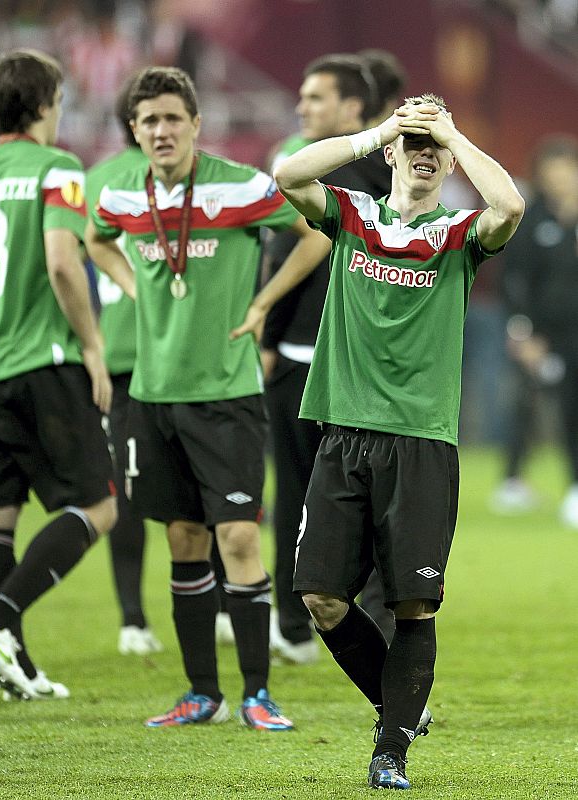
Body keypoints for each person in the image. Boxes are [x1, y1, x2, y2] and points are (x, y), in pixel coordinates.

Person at [274, 94, 523, 788]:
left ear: (447, 158)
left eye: (432, 144)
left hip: (420, 439)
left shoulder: (460, 233)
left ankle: (391, 750)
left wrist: (453, 132)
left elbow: (511, 208)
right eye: (409, 141)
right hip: (343, 431)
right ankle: (399, 707)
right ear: (389, 153)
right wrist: (384, 128)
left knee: (413, 603)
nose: (422, 150)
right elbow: (290, 175)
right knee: (320, 596)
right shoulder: (353, 217)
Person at [86, 66, 330, 729]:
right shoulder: (125, 196)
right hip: (153, 396)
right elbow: (97, 240)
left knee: (240, 537)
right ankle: (202, 694)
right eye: (148, 121)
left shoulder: (243, 187)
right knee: (185, 539)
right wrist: (132, 287)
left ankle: (256, 693)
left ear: (196, 123)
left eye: (172, 118)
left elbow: (315, 236)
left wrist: (263, 303)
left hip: (227, 397)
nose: (161, 131)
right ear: (134, 131)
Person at [0, 49, 118, 701]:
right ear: (43, 105)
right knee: (98, 503)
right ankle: (0, 618)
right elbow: (64, 264)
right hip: (44, 363)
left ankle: (16, 668)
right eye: (59, 101)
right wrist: (93, 347)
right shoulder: (59, 169)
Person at [263, 53, 405, 664]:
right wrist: (271, 337)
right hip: (297, 356)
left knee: (367, 498)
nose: (302, 108)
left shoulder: (381, 181)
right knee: (293, 490)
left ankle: (373, 626)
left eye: (316, 98)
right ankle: (293, 624)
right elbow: (281, 257)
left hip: (355, 370)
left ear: (354, 108)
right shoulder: (315, 166)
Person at [86, 78, 163, 657]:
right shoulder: (194, 177)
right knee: (208, 492)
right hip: (165, 357)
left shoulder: (93, 181)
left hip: (119, 358)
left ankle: (132, 618)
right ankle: (210, 610)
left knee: (129, 493)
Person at [491, 135, 578, 526]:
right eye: (553, 173)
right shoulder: (531, 218)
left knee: (574, 409)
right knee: (523, 405)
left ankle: (575, 487)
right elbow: (514, 278)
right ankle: (512, 480)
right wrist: (523, 332)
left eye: (567, 172)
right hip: (541, 336)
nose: (560, 180)